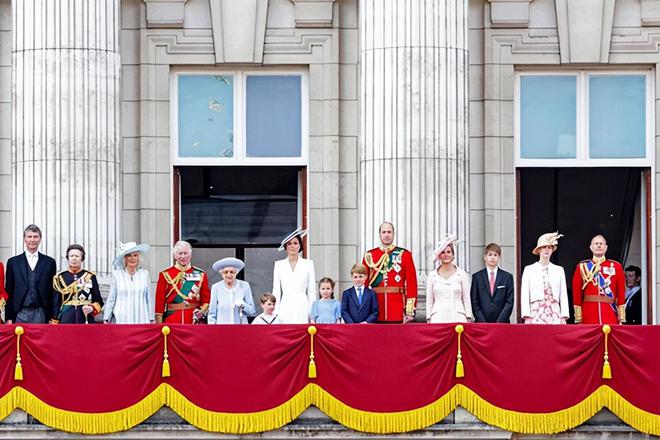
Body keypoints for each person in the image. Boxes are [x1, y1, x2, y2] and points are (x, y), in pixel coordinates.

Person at [362, 222, 417, 323]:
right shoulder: (370, 256)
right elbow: (364, 284)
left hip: (397, 309)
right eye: (384, 232)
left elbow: (411, 284)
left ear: (393, 234)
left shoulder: (404, 255)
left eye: (389, 232)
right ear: (379, 234)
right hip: (375, 308)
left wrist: (409, 311)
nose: (386, 235)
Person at [5, 225, 57, 324]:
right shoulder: (13, 262)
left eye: (35, 236)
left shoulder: (49, 262)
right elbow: (9, 290)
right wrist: (8, 317)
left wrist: (52, 316)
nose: (32, 240)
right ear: (24, 239)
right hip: (19, 312)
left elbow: (52, 291)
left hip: (41, 313)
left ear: (40, 239)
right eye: (29, 236)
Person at [572, 235, 626, 325]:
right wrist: (579, 318)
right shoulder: (582, 266)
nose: (599, 245)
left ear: (606, 248)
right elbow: (576, 293)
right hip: (588, 313)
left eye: (601, 244)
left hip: (609, 313)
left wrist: (621, 318)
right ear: (591, 247)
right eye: (596, 243)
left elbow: (621, 292)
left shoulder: (616, 266)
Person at [155, 240, 211, 324]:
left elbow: (206, 300)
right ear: (174, 255)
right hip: (172, 320)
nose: (183, 256)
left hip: (193, 320)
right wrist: (159, 324)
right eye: (180, 253)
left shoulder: (200, 274)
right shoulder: (165, 274)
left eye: (186, 253)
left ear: (190, 254)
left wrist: (199, 314)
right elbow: (159, 302)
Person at [520, 232, 569, 324]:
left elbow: (563, 294)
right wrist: (526, 316)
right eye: (544, 247)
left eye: (549, 247)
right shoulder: (529, 269)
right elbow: (525, 294)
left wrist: (564, 316)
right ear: (539, 250)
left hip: (554, 311)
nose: (546, 250)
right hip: (536, 312)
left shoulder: (559, 270)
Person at [272, 227, 316, 324]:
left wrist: (312, 313)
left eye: (295, 243)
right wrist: (275, 313)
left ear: (300, 245)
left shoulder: (308, 264)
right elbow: (276, 291)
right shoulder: (279, 265)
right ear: (285, 247)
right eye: (289, 244)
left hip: (302, 304)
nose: (292, 246)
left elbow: (311, 291)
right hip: (285, 304)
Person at [426, 234, 472, 323]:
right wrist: (429, 318)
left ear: (453, 254)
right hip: (438, 318)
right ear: (439, 255)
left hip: (458, 317)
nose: (446, 255)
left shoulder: (462, 274)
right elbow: (430, 300)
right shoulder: (432, 275)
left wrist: (468, 316)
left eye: (448, 252)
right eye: (443, 252)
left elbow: (466, 298)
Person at [52, 244, 104, 324]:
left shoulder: (90, 276)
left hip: (85, 317)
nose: (74, 258)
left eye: (77, 256)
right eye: (71, 256)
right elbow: (56, 302)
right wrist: (55, 320)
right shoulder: (60, 277)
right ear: (68, 258)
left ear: (82, 258)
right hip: (66, 317)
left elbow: (98, 300)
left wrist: (92, 308)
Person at [103, 242, 153, 324]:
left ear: (138, 258)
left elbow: (149, 298)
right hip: (122, 318)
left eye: (135, 255)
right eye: (129, 255)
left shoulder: (144, 274)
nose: (132, 258)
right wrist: (106, 318)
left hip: (141, 318)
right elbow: (112, 298)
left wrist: (151, 318)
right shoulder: (117, 275)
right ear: (125, 258)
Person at [470, 243, 514, 323]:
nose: (492, 257)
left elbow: (509, 302)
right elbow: (474, 301)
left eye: (495, 255)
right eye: (490, 255)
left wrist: (500, 321)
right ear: (485, 257)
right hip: (482, 323)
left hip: (502, 323)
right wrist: (482, 321)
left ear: (499, 257)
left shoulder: (507, 277)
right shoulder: (477, 277)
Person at [208, 257, 256, 324]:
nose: (229, 274)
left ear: (236, 273)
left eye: (232, 272)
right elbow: (212, 314)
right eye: (226, 272)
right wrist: (212, 330)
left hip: (240, 329)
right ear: (222, 274)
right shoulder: (216, 287)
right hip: (222, 329)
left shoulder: (245, 286)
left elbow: (252, 311)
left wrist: (244, 305)